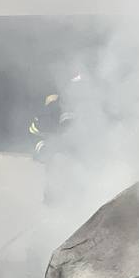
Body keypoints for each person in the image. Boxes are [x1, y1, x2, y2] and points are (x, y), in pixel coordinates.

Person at [30, 73, 82, 203]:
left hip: (60, 153)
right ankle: (52, 201)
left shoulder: (65, 107)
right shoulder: (54, 111)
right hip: (53, 152)